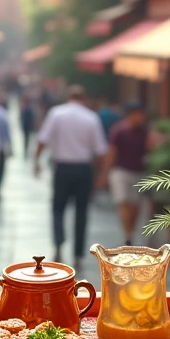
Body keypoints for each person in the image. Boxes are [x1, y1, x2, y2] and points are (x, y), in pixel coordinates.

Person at [34, 85, 108, 263]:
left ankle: (59, 243)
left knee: (58, 207)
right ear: (83, 98)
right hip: (83, 169)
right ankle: (78, 253)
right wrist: (101, 173)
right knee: (81, 210)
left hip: (63, 168)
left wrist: (36, 161)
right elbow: (100, 150)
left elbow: (43, 139)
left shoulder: (57, 114)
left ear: (69, 97)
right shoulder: (91, 117)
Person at [99, 102, 152, 246]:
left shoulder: (144, 131)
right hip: (120, 171)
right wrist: (105, 173)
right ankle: (127, 234)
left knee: (135, 205)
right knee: (123, 202)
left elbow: (149, 149)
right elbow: (112, 152)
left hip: (138, 171)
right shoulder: (119, 131)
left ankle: (131, 232)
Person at [20, 94, 36, 159]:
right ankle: (25, 150)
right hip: (25, 126)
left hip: (28, 126)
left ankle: (27, 150)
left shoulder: (29, 108)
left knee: (27, 139)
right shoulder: (24, 108)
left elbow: (32, 118)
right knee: (26, 139)